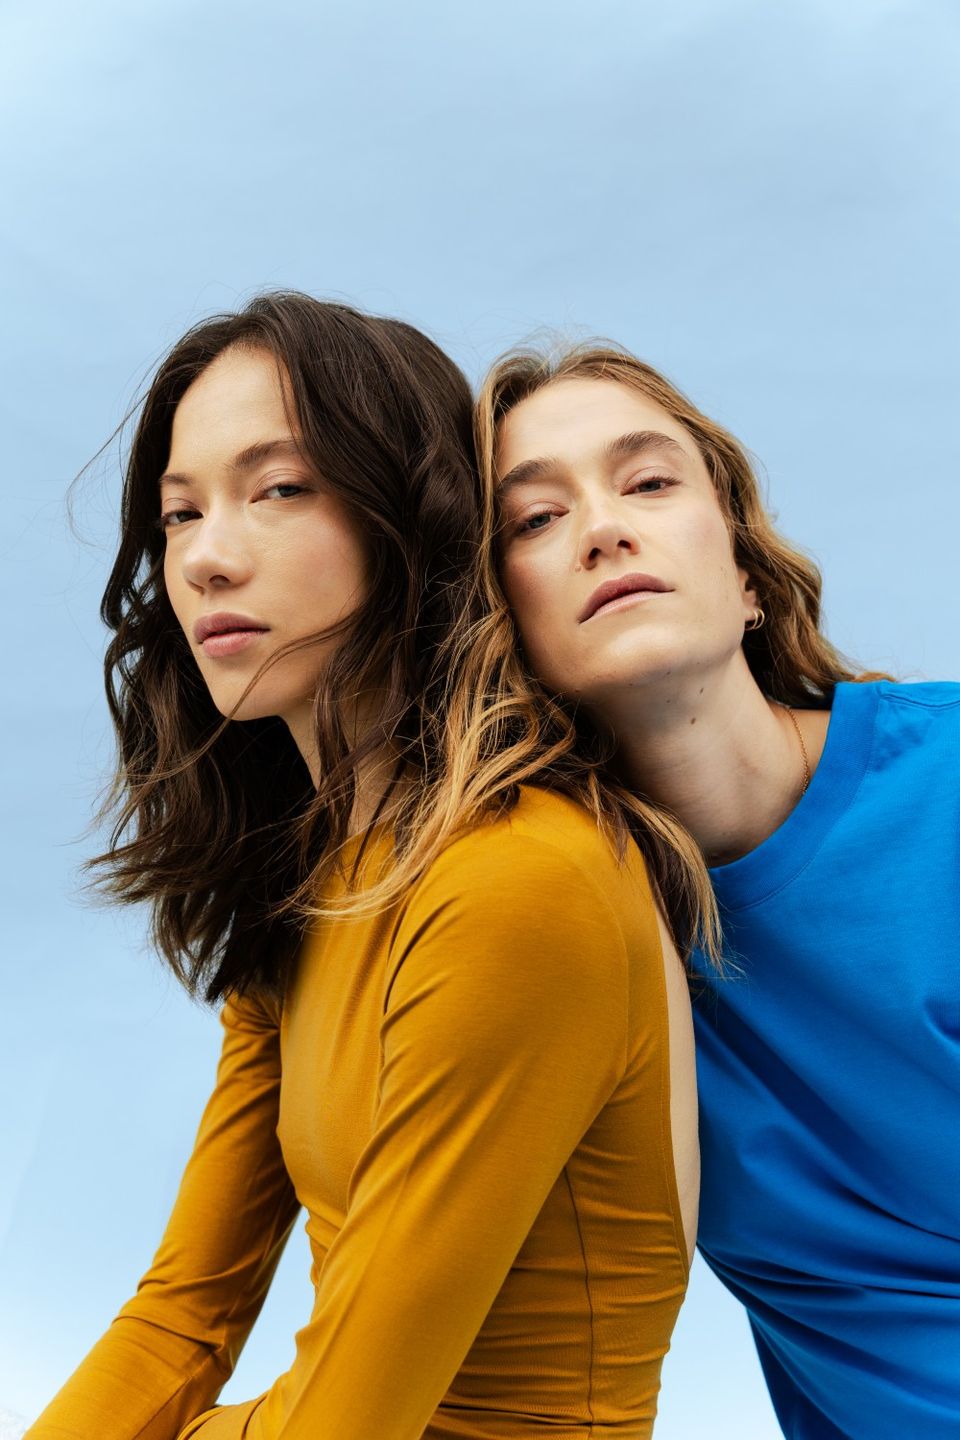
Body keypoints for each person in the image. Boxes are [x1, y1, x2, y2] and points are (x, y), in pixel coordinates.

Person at [26, 294, 703, 1440]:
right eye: (181, 514)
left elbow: (345, 1422)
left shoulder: (519, 882)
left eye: (279, 489)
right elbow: (182, 1318)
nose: (206, 559)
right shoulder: (313, 876)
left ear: (410, 513)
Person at [475, 343, 960, 1440]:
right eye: (536, 519)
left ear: (746, 574)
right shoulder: (566, 933)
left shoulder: (945, 783)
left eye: (648, 481)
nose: (604, 528)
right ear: (503, 628)